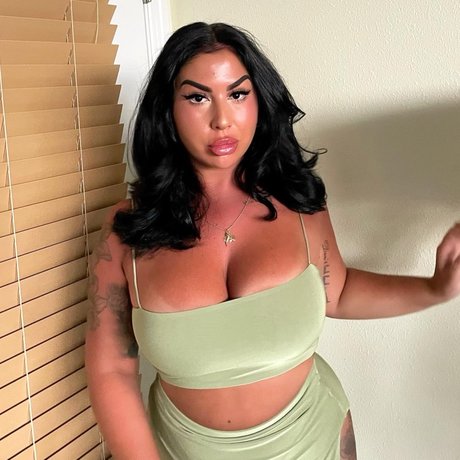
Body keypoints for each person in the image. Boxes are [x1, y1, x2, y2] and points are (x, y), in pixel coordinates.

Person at [85, 22, 460, 460]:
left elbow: (337, 292)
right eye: (197, 97)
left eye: (238, 94)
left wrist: (435, 289)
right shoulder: (127, 229)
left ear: (259, 99)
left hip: (313, 438)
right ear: (167, 109)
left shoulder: (299, 201)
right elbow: (111, 368)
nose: (222, 119)